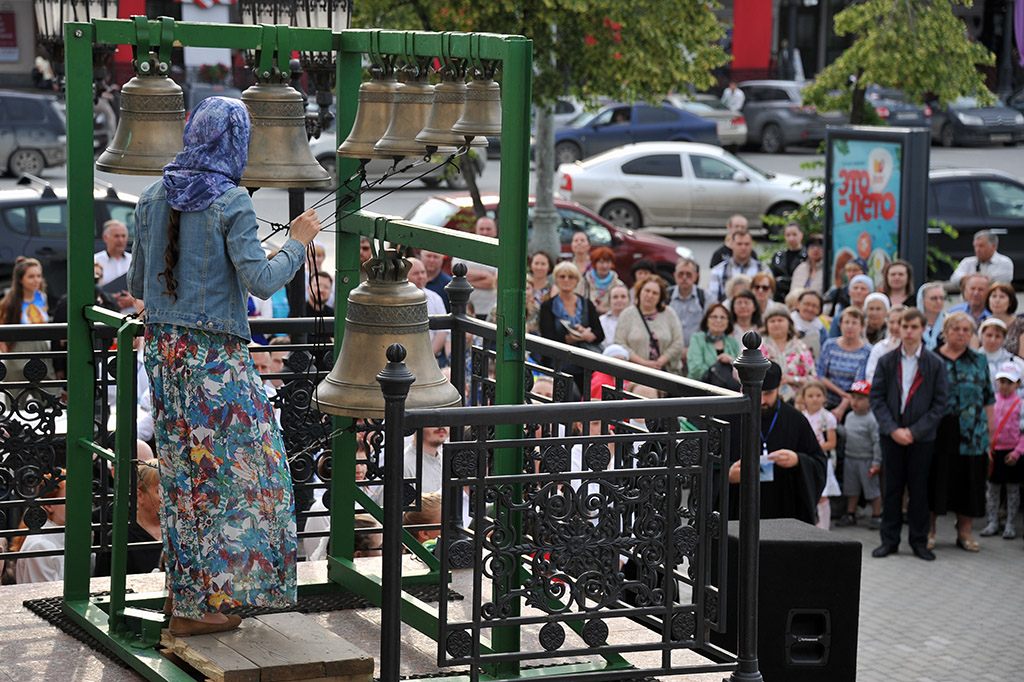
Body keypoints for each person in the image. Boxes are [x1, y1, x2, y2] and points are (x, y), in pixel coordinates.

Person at [127, 97, 322, 635]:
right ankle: (207, 605)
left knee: (186, 479)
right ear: (234, 143)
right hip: (214, 364)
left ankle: (189, 603)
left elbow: (134, 285)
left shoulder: (149, 196)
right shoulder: (230, 202)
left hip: (166, 359)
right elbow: (261, 281)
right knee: (257, 478)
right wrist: (298, 242)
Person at [870, 308, 949, 561]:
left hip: (921, 437)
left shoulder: (935, 363)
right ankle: (889, 541)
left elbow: (939, 403)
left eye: (914, 327)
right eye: (905, 326)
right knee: (892, 489)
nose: (909, 331)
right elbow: (877, 398)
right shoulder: (887, 361)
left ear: (924, 329)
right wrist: (892, 429)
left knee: (919, 489)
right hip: (891, 435)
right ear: (898, 328)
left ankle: (918, 541)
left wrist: (914, 431)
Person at [727, 361, 827, 525]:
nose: (761, 401)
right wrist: (729, 477)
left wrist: (798, 460)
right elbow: (709, 467)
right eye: (756, 393)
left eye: (768, 394)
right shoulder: (729, 419)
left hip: (784, 509)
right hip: (740, 510)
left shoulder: (795, 419)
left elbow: (819, 462)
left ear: (778, 388)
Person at [930, 312, 994, 554]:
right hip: (938, 430)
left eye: (966, 330)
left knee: (969, 482)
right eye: (956, 329)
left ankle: (964, 531)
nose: (961, 334)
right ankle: (929, 530)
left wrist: (990, 434)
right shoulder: (932, 359)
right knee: (935, 479)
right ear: (945, 332)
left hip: (973, 432)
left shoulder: (979, 360)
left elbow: (988, 397)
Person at [94, 452, 163, 576]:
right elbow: (104, 584)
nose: (170, 498)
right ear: (140, 496)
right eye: (161, 491)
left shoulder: (181, 531)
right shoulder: (119, 538)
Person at [539, 261, 604, 393]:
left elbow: (600, 334)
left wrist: (588, 335)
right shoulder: (547, 306)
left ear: (577, 280)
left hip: (585, 364)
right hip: (559, 363)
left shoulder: (587, 304)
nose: (566, 280)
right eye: (562, 276)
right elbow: (548, 337)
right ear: (556, 279)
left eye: (571, 277)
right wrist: (571, 338)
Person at [980, 362, 1024, 539]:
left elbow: (1023, 432)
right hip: (994, 452)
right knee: (992, 489)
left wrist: (1017, 452)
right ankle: (992, 521)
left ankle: (1010, 523)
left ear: (1017, 383)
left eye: (1009, 382)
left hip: (1012, 453)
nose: (1005, 385)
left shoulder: (1021, 404)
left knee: (1013, 490)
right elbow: (984, 426)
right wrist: (986, 448)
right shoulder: (992, 402)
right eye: (1002, 381)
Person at [834, 380, 883, 530]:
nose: (855, 401)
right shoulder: (849, 416)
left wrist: (876, 462)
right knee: (851, 488)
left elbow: (876, 442)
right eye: (853, 398)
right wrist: (836, 427)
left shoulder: (872, 420)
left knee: (872, 489)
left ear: (870, 400)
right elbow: (847, 434)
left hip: (866, 460)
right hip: (850, 458)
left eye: (860, 398)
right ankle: (850, 513)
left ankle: (876, 515)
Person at [614, 275, 684, 375]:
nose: (650, 295)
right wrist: (643, 363)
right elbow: (620, 343)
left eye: (655, 293)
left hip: (665, 373)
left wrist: (660, 362)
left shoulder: (669, 313)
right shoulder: (627, 314)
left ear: (660, 297)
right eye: (647, 291)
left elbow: (678, 343)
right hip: (635, 373)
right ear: (639, 292)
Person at [0, 257, 55, 384]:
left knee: (48, 393)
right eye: (31, 276)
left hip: (41, 348)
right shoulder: (11, 301)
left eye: (38, 276)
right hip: (20, 349)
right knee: (16, 396)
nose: (36, 280)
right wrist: (8, 354)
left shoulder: (42, 296)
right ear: (20, 279)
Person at [799, 379, 842, 529]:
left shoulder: (827, 417)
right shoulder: (801, 416)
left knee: (822, 495)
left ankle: (824, 527)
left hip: (821, 460)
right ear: (804, 398)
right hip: (806, 460)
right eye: (810, 396)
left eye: (818, 395)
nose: (814, 399)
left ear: (824, 397)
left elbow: (832, 442)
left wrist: (814, 448)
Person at [817, 307, 871, 420]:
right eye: (846, 322)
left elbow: (859, 381)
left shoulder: (867, 351)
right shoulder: (829, 345)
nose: (850, 326)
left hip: (853, 403)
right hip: (826, 399)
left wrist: (843, 405)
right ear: (840, 325)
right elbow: (820, 374)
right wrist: (842, 393)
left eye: (854, 323)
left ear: (862, 327)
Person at [759, 304, 816, 403]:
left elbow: (812, 379)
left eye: (780, 320)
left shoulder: (800, 347)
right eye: (772, 321)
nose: (776, 324)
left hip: (795, 401)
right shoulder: (757, 346)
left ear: (789, 324)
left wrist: (793, 379)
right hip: (762, 399)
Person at [452, 217, 499, 319]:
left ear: (495, 231)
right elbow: (455, 270)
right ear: (476, 231)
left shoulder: (500, 252)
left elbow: (493, 282)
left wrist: (467, 282)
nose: (485, 232)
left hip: (490, 311)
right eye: (481, 229)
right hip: (466, 309)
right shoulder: (465, 248)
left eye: (488, 229)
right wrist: (483, 275)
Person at [408, 257, 449, 366]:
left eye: (423, 272)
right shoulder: (396, 299)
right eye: (416, 273)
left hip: (431, 359)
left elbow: (443, 331)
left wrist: (427, 356)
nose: (421, 277)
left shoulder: (435, 298)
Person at [667, 257, 712, 355]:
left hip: (698, 352)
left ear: (695, 276)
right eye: (681, 274)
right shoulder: (666, 296)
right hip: (669, 353)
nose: (684, 278)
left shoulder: (705, 297)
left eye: (688, 274)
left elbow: (710, 327)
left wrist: (692, 349)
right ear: (675, 275)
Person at [688, 303, 741, 384]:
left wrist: (731, 360)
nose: (718, 320)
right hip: (701, 388)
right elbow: (695, 370)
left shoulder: (732, 341)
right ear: (707, 321)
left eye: (722, 317)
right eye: (714, 317)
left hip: (729, 390)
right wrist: (718, 368)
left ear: (728, 322)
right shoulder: (697, 338)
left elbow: (741, 370)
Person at [709, 228, 765, 302]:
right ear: (731, 244)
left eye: (746, 244)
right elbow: (713, 300)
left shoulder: (763, 270)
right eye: (739, 244)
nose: (743, 247)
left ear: (752, 245)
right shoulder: (718, 271)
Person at [94, 219, 137, 313]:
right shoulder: (95, 261)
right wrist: (110, 299)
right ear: (105, 237)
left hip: (133, 315)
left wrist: (133, 300)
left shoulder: (135, 261)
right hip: (106, 315)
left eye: (123, 236)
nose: (121, 240)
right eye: (116, 236)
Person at [949, 230, 1014, 286]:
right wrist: (984, 280)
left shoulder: (1004, 263)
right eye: (975, 246)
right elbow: (953, 280)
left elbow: (996, 286)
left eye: (981, 246)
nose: (977, 249)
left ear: (994, 246)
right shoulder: (967, 262)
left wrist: (967, 280)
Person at [865, 305, 907, 383]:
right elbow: (870, 375)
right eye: (891, 322)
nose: (895, 327)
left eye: (899, 322)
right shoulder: (879, 348)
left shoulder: (913, 348)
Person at [578, 247, 624, 315]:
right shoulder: (584, 282)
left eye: (608, 262)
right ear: (594, 264)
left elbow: (623, 308)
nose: (605, 266)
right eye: (601, 262)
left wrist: (607, 311)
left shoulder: (619, 285)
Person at [769, 221, 806, 301]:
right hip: (779, 298)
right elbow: (771, 277)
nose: (791, 238)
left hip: (798, 298)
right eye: (788, 235)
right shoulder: (778, 256)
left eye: (794, 234)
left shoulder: (806, 257)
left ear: (801, 235)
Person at [828, 273, 873, 338]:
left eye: (863, 289)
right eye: (855, 288)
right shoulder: (839, 317)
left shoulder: (873, 317)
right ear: (849, 292)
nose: (858, 291)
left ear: (870, 293)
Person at [790, 289, 827, 360]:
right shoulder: (788, 322)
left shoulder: (821, 328)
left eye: (815, 306)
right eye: (807, 304)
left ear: (819, 310)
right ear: (798, 304)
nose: (810, 309)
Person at [917, 282, 947, 351]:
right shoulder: (913, 324)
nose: (939, 302)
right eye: (934, 298)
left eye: (942, 298)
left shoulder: (950, 322)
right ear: (922, 301)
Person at [599, 284, 631, 349]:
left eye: (623, 297)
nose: (619, 300)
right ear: (609, 301)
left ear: (629, 300)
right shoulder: (601, 321)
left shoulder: (637, 320)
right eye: (615, 297)